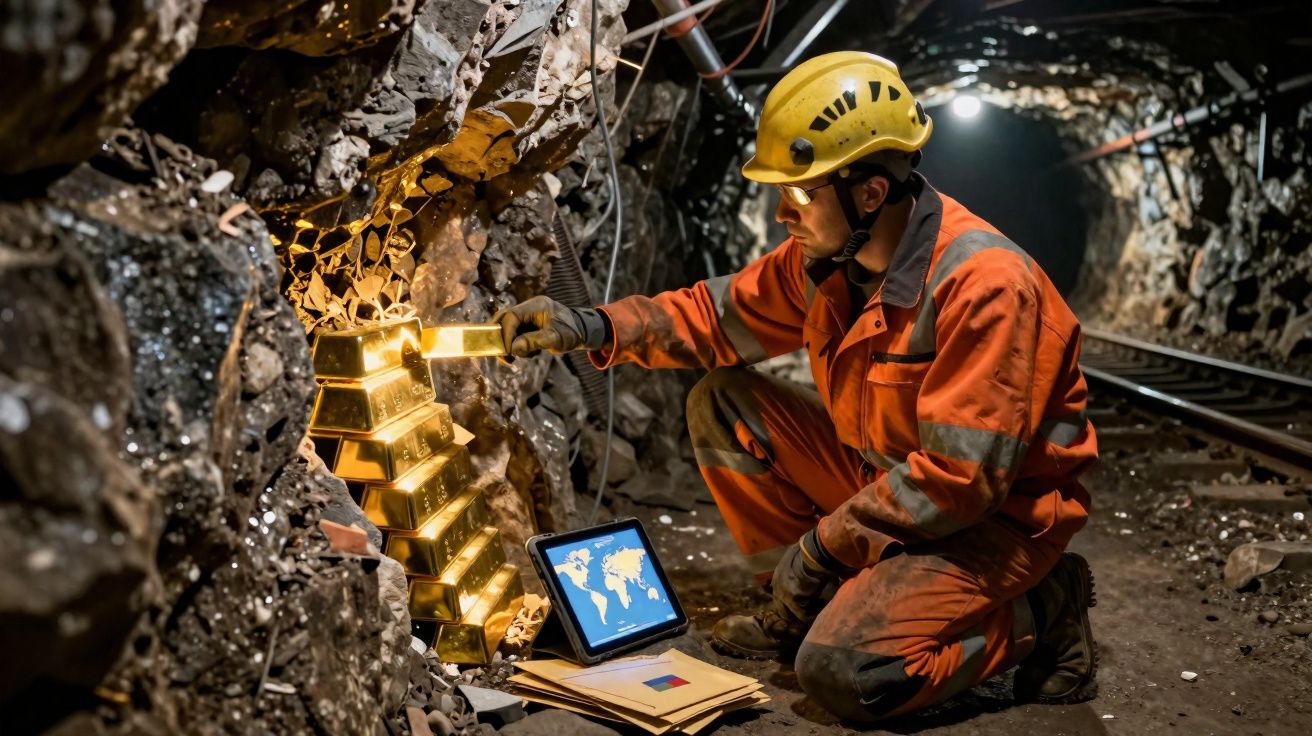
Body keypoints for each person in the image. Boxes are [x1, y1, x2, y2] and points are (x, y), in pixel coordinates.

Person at [493, 52, 1098, 722]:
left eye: (802, 193)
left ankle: (1040, 611)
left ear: (869, 193)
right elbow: (710, 318)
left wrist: (825, 544)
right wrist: (590, 326)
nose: (785, 212)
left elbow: (960, 482)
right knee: (721, 399)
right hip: (891, 483)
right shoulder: (829, 266)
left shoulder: (984, 287)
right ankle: (793, 610)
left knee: (850, 674)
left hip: (995, 525)